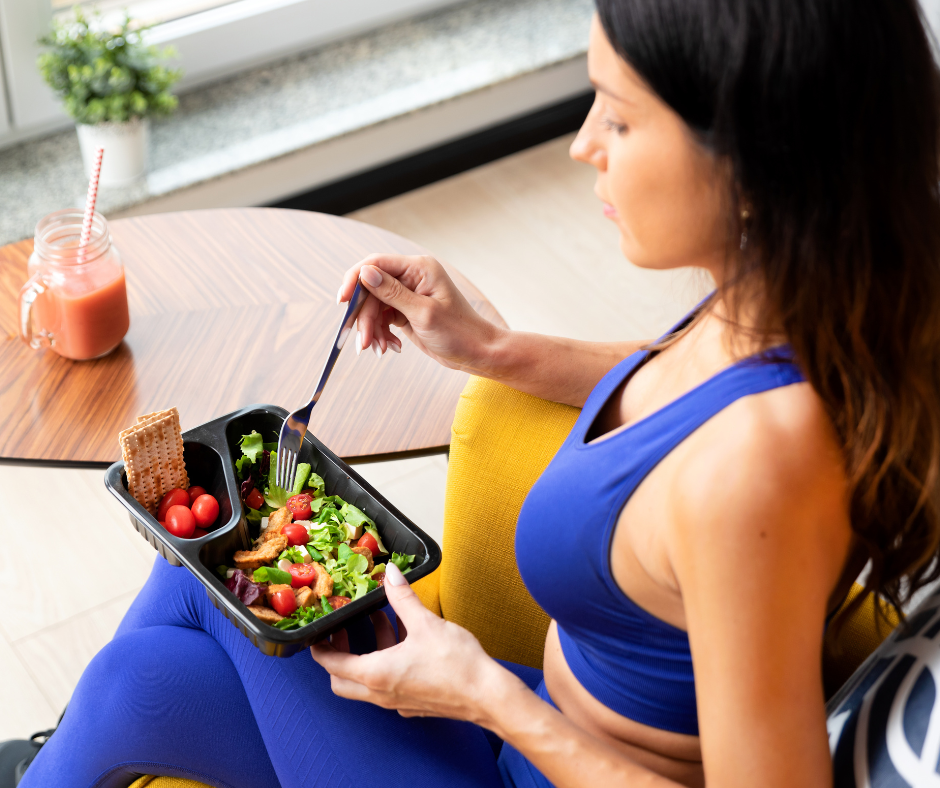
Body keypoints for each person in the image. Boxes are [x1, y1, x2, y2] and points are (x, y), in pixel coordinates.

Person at [17, 1, 940, 786]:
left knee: (193, 585)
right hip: (518, 731)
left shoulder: (762, 470)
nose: (582, 145)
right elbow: (673, 390)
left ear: (758, 160)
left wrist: (483, 695)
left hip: (527, 740)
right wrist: (492, 348)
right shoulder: (771, 312)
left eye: (618, 119)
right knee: (135, 675)